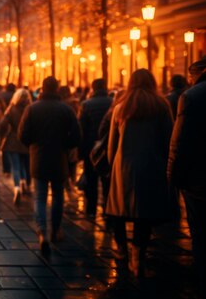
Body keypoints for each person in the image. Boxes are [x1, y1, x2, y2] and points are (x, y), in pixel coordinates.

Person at [106, 69, 173, 278]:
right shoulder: (161, 106)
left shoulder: (120, 107)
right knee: (144, 214)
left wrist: (111, 164)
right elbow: (169, 139)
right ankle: (138, 258)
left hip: (123, 165)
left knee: (118, 209)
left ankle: (122, 251)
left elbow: (112, 144)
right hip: (151, 165)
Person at [18, 76, 81, 254]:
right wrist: (65, 145)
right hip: (59, 158)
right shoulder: (66, 110)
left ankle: (42, 231)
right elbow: (77, 135)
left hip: (38, 157)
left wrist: (33, 145)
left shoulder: (32, 109)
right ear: (57, 89)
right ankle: (55, 229)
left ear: (42, 89)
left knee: (40, 196)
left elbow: (22, 134)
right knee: (58, 195)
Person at [168, 57, 206, 296]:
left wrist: (173, 177)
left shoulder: (192, 97)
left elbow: (179, 143)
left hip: (199, 177)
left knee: (200, 232)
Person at [78, 78, 112, 217]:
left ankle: (91, 209)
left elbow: (81, 128)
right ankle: (107, 209)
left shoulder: (86, 104)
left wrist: (81, 150)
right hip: (107, 146)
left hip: (90, 147)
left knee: (91, 179)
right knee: (107, 180)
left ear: (93, 88)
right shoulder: (113, 102)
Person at [0, 88, 32, 204]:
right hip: (26, 141)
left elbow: (2, 123)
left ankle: (17, 187)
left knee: (16, 166)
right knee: (23, 164)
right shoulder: (30, 108)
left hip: (13, 141)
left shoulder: (11, 108)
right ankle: (24, 183)